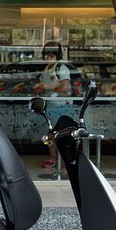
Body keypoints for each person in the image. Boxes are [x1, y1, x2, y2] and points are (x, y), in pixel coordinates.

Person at [33, 41, 71, 169]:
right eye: (46, 56)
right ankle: (53, 158)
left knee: (63, 133)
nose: (48, 58)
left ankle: (64, 158)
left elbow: (65, 88)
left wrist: (47, 87)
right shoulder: (46, 69)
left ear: (57, 56)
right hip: (51, 106)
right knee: (51, 132)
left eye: (51, 56)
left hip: (62, 106)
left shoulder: (61, 68)